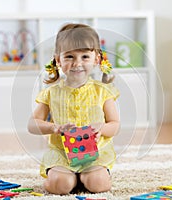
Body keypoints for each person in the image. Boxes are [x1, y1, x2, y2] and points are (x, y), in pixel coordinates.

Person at [28, 23, 120, 195]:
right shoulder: (51, 93)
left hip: (95, 154)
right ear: (58, 60)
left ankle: (85, 178)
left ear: (97, 59)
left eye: (85, 56)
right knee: (60, 186)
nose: (77, 63)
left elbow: (115, 125)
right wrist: (53, 127)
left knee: (98, 184)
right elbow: (32, 125)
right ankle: (68, 179)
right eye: (69, 56)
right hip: (62, 155)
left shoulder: (103, 91)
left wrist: (102, 127)